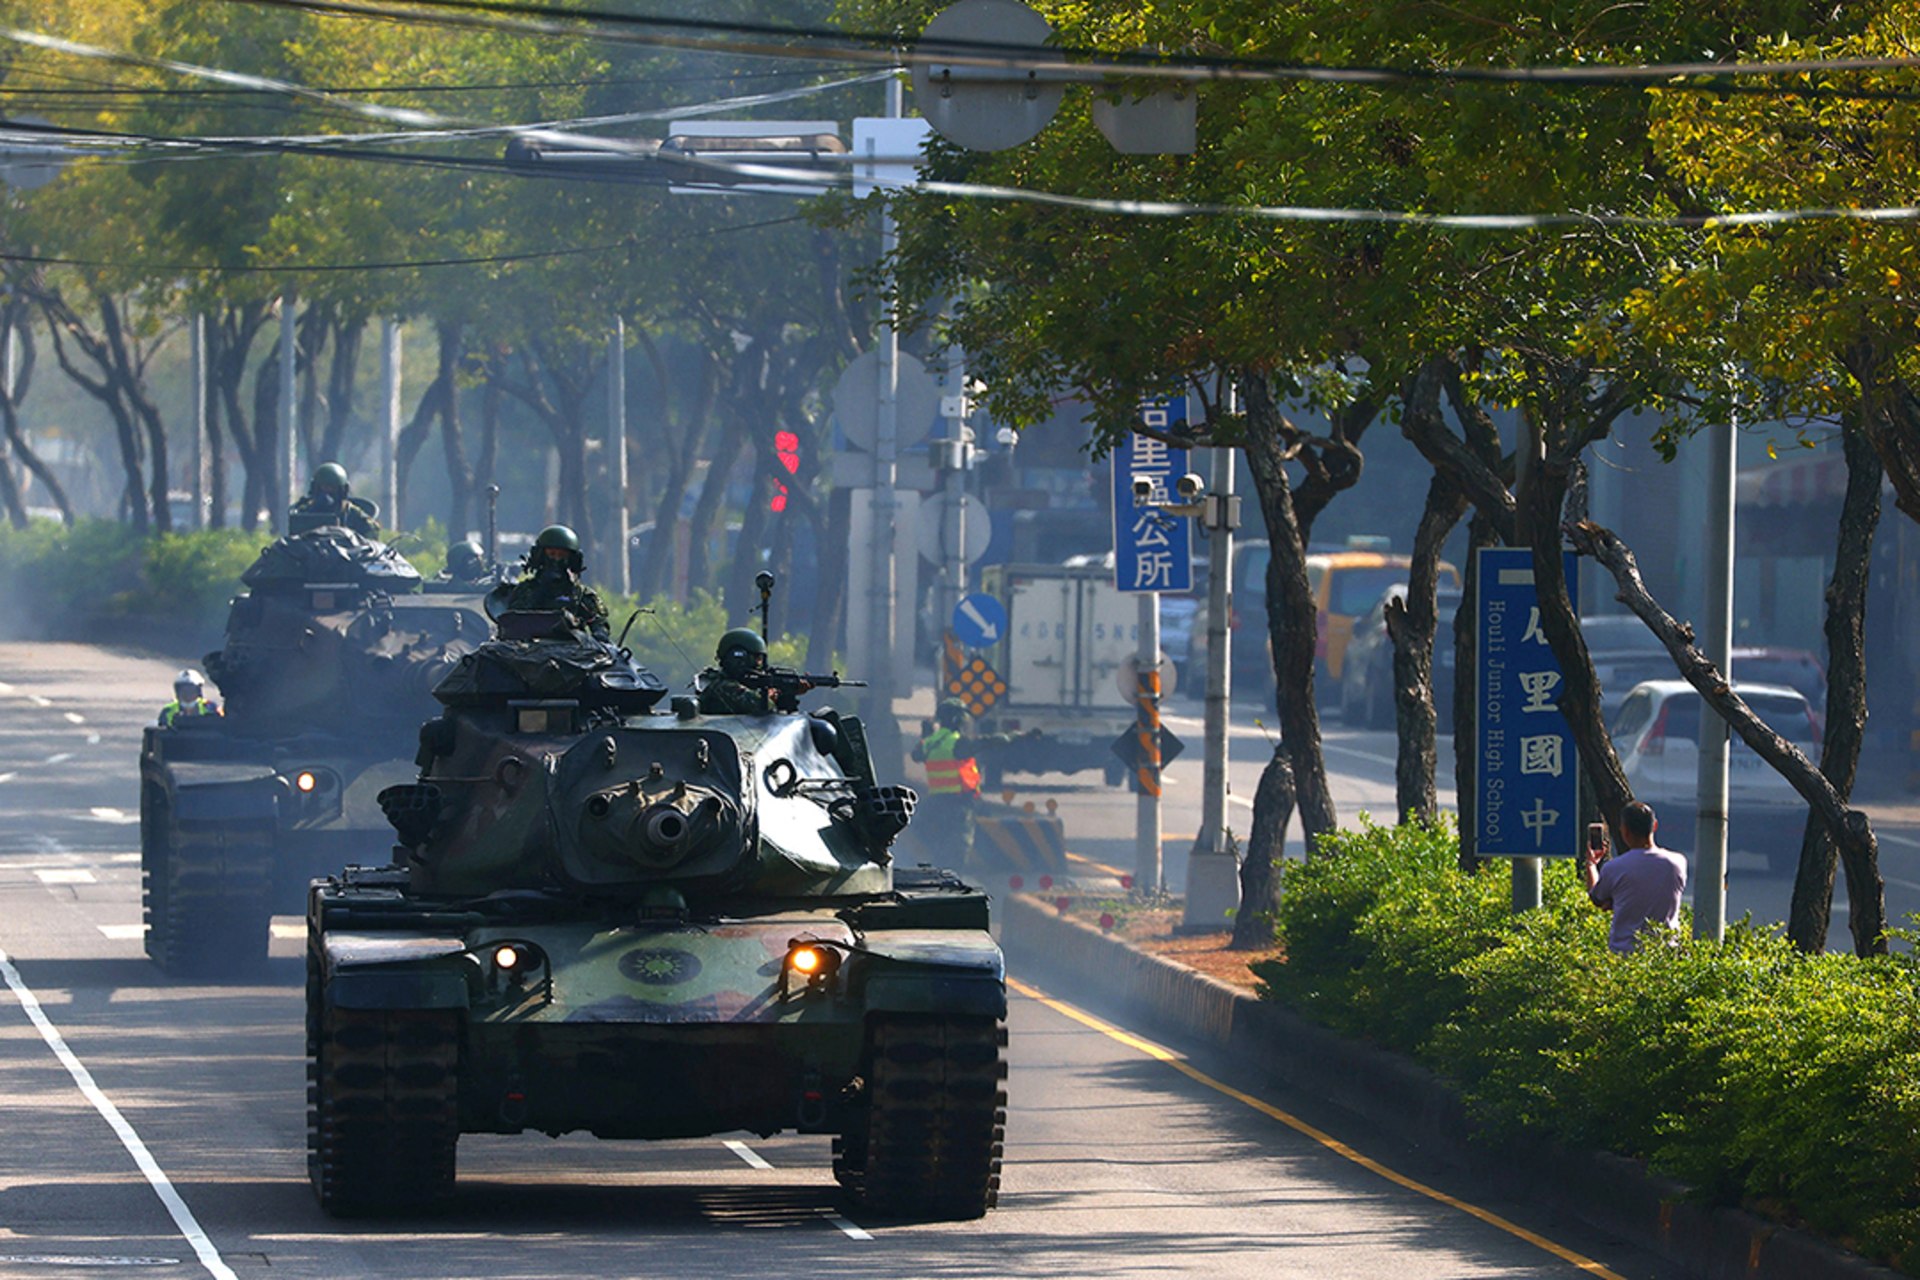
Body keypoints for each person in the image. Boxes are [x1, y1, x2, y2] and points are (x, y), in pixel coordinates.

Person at [911, 699, 1031, 864]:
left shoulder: (931, 742)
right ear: (957, 720)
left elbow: (916, 755)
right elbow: (990, 741)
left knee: (922, 830)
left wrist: (926, 734)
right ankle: (953, 876)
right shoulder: (958, 742)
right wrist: (1016, 736)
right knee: (960, 846)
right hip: (959, 803)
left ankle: (937, 862)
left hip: (936, 802)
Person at [1582, 800, 1688, 954]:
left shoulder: (1614, 868)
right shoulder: (1678, 862)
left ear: (1625, 831)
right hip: (1666, 955)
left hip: (1625, 956)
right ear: (1655, 826)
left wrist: (1591, 864)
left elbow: (1597, 898)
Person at [504, 525, 609, 640]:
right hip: (528, 652)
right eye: (552, 554)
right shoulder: (524, 590)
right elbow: (512, 621)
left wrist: (599, 634)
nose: (556, 560)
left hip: (571, 653)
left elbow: (599, 623)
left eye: (562, 555)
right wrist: (540, 592)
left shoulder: (581, 595)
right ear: (541, 555)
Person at [697, 628, 781, 714]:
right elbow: (763, 707)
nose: (759, 664)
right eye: (757, 658)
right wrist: (767, 697)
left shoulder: (720, 683)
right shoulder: (725, 687)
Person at [289, 462, 380, 538]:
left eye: (332, 488)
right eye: (323, 488)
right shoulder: (304, 512)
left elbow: (372, 531)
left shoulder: (351, 512)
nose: (326, 493)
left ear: (342, 491)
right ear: (315, 488)